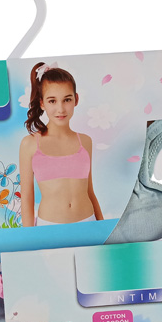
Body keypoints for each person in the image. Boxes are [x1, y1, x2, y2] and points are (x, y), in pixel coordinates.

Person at [19, 62, 103, 226]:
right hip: (49, 227)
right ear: (42, 103)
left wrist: (103, 228)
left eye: (67, 100)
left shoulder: (85, 141)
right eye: (52, 101)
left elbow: (89, 191)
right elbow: (27, 198)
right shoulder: (29, 144)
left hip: (88, 223)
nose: (61, 109)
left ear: (76, 99)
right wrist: (28, 239)